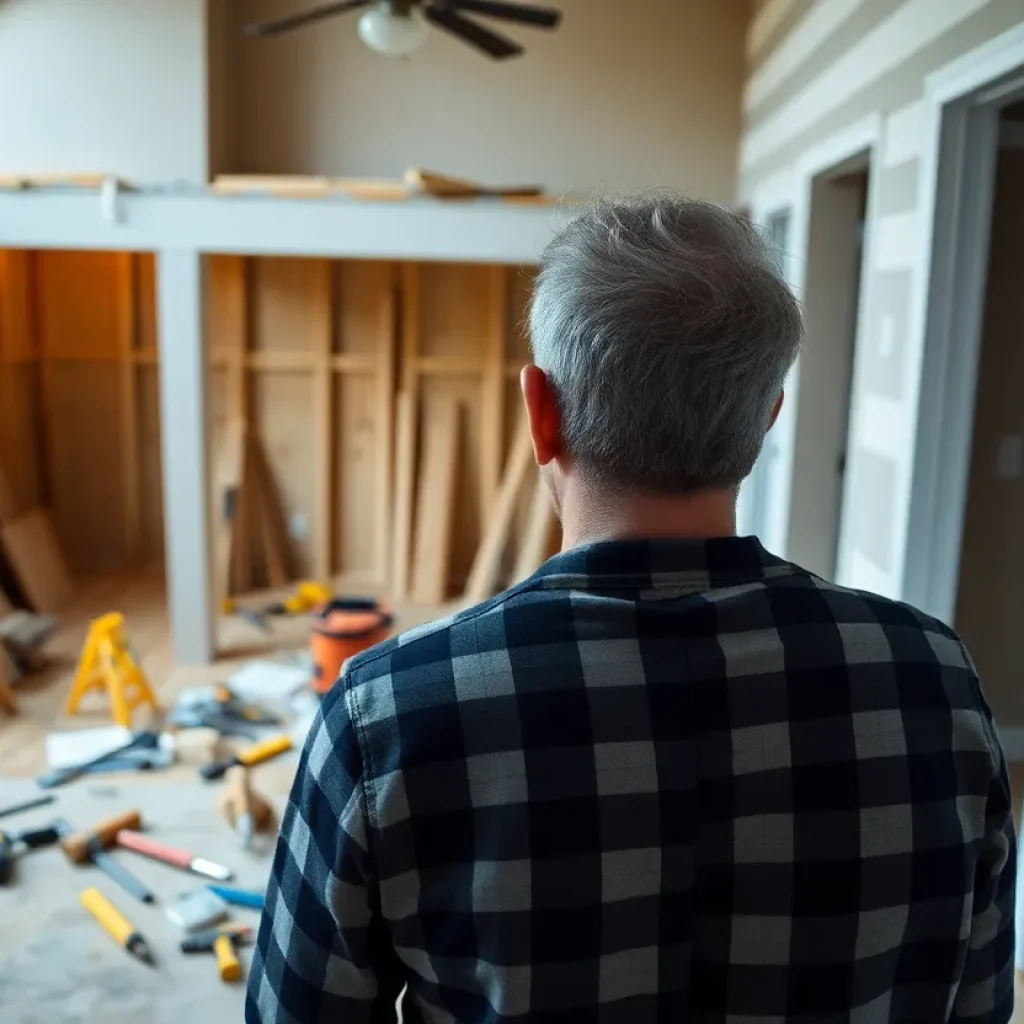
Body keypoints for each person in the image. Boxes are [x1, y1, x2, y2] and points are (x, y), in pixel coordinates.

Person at [247, 195, 1015, 1022]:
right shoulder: (932, 678)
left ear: (540, 412)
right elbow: (975, 1002)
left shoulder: (388, 715)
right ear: (765, 422)